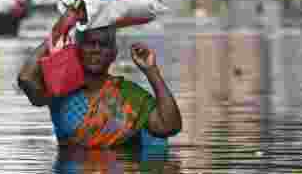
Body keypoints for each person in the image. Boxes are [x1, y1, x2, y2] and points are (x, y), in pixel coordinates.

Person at [16, 9, 183, 148]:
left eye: (103, 44)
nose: (96, 50)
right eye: (89, 43)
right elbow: (26, 79)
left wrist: (151, 70)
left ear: (114, 53)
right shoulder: (61, 91)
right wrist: (59, 30)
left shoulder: (129, 95)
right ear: (76, 49)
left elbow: (169, 126)